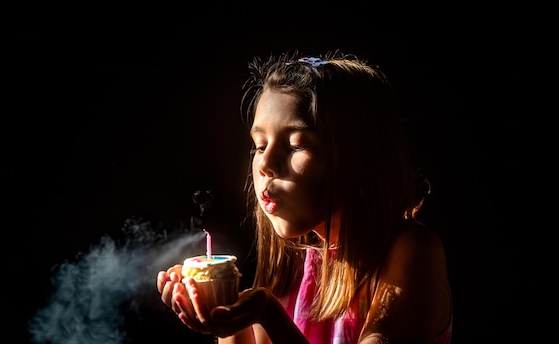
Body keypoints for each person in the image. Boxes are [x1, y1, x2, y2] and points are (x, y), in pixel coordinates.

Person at [157, 50, 452, 344]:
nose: (265, 164)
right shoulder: (291, 263)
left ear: (359, 157)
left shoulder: (412, 252)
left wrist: (268, 313)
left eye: (296, 145)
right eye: (260, 146)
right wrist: (222, 313)